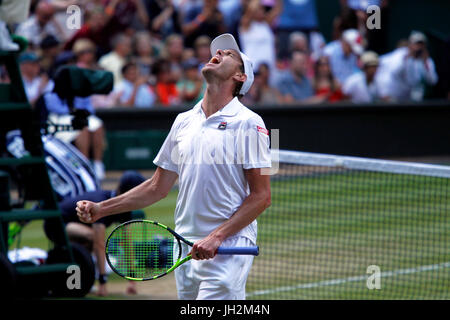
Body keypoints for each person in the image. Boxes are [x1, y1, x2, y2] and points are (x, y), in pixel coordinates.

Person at [76, 33, 272, 300]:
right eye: (219, 52)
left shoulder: (252, 123)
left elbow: (262, 196)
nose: (220, 53)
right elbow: (157, 186)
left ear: (240, 77)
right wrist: (101, 209)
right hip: (186, 244)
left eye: (230, 55)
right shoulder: (183, 120)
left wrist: (216, 237)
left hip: (229, 246)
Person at [45, 170, 146, 296]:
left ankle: (80, 280)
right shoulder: (101, 202)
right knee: (94, 238)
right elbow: (99, 244)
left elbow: (127, 242)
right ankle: (92, 279)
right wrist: (103, 283)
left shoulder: (125, 209)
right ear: (128, 192)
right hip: (55, 224)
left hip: (74, 227)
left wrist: (132, 280)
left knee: (89, 244)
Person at [377, 31, 438, 102]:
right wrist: (407, 58)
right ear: (410, 44)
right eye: (416, 44)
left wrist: (425, 63)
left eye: (421, 44)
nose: (418, 47)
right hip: (396, 97)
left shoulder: (427, 61)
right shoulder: (401, 54)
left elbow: (433, 81)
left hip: (415, 99)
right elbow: (394, 72)